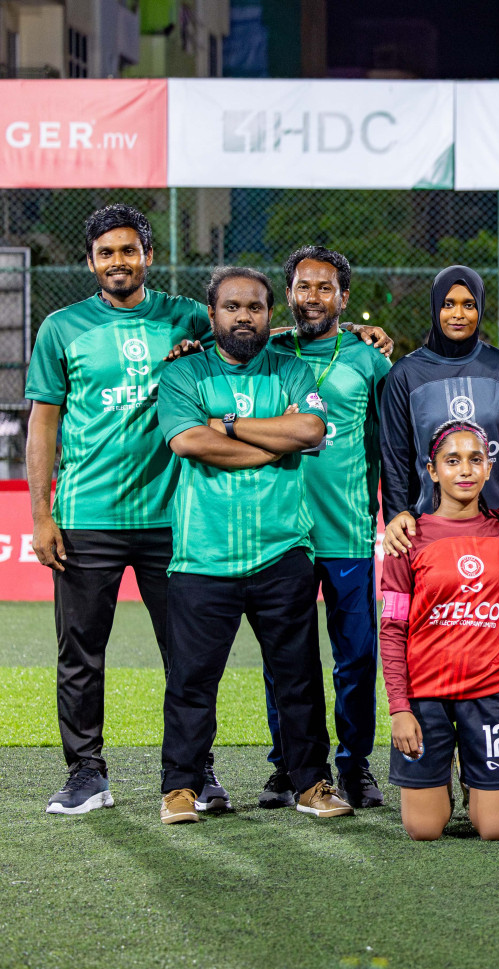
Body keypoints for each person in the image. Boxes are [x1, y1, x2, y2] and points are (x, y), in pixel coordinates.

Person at [26, 204, 213, 815]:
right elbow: (43, 425)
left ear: (148, 255)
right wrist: (40, 515)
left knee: (187, 653)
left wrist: (351, 334)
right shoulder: (61, 327)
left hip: (171, 517)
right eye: (106, 253)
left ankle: (194, 773)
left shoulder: (187, 316)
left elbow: (249, 341)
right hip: (86, 518)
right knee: (80, 654)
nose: (118, 262)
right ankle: (86, 774)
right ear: (90, 262)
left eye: (128, 250)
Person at [155, 267, 350, 824]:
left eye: (257, 307)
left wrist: (232, 423)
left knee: (298, 678)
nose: (245, 316)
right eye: (233, 307)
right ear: (212, 313)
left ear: (271, 314)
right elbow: (189, 440)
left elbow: (311, 432)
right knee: (191, 681)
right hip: (202, 555)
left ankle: (312, 783)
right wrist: (272, 442)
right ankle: (180, 788)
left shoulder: (292, 370)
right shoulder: (183, 372)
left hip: (281, 551)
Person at [256, 245, 391, 811]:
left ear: (344, 297)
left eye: (325, 287)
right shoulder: (264, 352)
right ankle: (289, 765)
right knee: (284, 657)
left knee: (356, 656)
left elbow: (391, 447)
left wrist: (388, 512)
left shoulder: (369, 359)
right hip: (281, 533)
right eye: (303, 287)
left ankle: (354, 764)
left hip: (347, 534)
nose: (313, 296)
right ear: (287, 295)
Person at [382, 422, 499, 841]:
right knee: (424, 830)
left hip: (490, 693)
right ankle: (441, 774)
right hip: (426, 697)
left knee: (496, 829)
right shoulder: (407, 538)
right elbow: (391, 629)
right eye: (452, 460)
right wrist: (399, 708)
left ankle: (469, 773)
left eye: (475, 460)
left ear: (489, 467)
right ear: (432, 469)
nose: (465, 470)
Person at [381, 266, 499, 552]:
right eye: (448, 304)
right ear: (435, 306)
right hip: (427, 524)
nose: (458, 314)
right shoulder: (406, 373)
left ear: (481, 308)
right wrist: (395, 513)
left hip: (497, 523)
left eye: (469, 305)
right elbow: (395, 454)